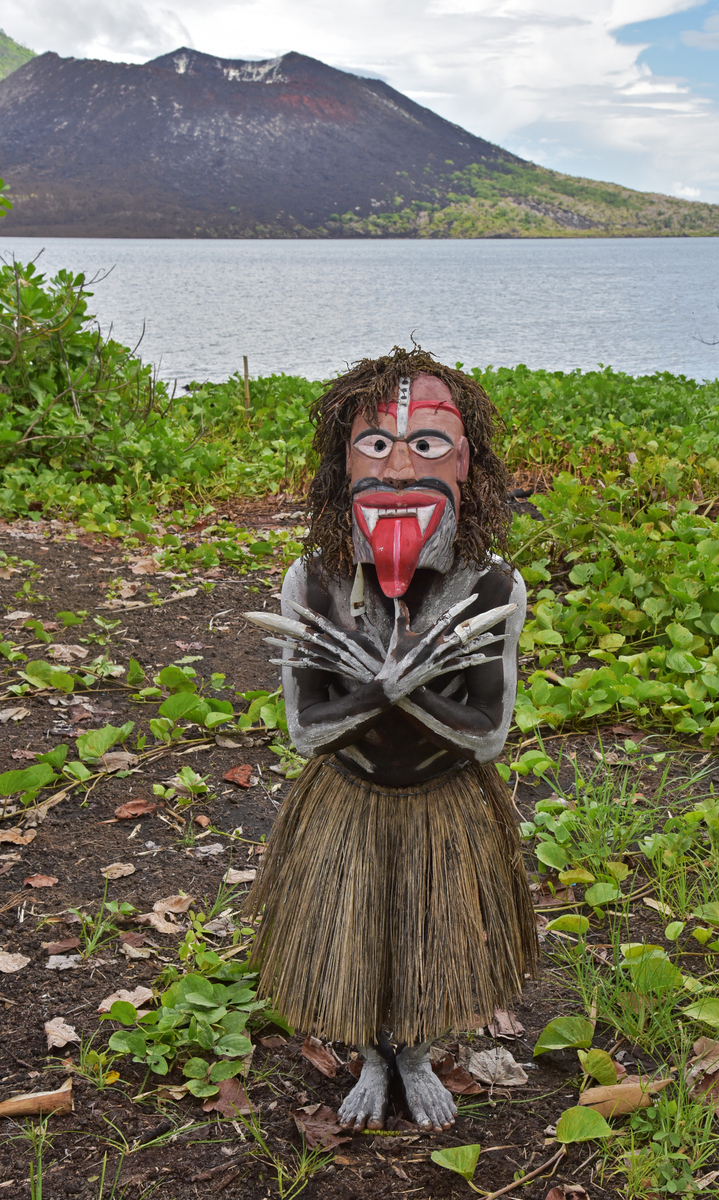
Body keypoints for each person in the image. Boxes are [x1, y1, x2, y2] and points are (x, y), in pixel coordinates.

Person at [245, 347, 536, 1132]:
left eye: (428, 444)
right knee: (358, 938)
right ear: (342, 468)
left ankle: (415, 1052)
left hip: (448, 796)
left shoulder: (492, 584)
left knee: (430, 937)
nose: (401, 466)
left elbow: (488, 736)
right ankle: (372, 1056)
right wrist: (380, 690)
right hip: (349, 794)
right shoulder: (313, 580)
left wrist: (408, 690)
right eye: (376, 445)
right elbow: (307, 730)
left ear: (467, 466)